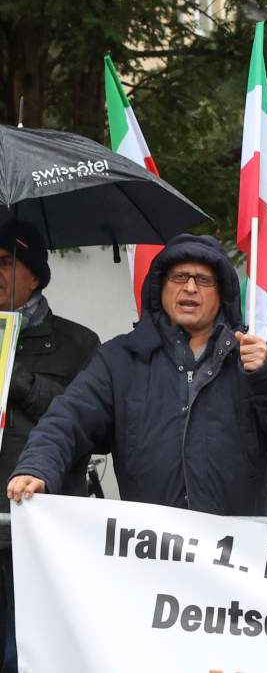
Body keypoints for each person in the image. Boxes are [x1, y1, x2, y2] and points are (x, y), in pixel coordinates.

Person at [7, 234, 267, 516]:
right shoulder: (120, 359)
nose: (190, 288)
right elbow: (68, 419)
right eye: (179, 277)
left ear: (221, 292)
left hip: (233, 563)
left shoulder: (251, 359)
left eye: (203, 280)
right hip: (149, 557)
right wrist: (37, 468)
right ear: (160, 287)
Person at [0, 221, 99, 673]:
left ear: (35, 274)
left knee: (29, 656)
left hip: (39, 531)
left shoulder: (79, 343)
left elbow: (91, 425)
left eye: (4, 262)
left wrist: (16, 380)